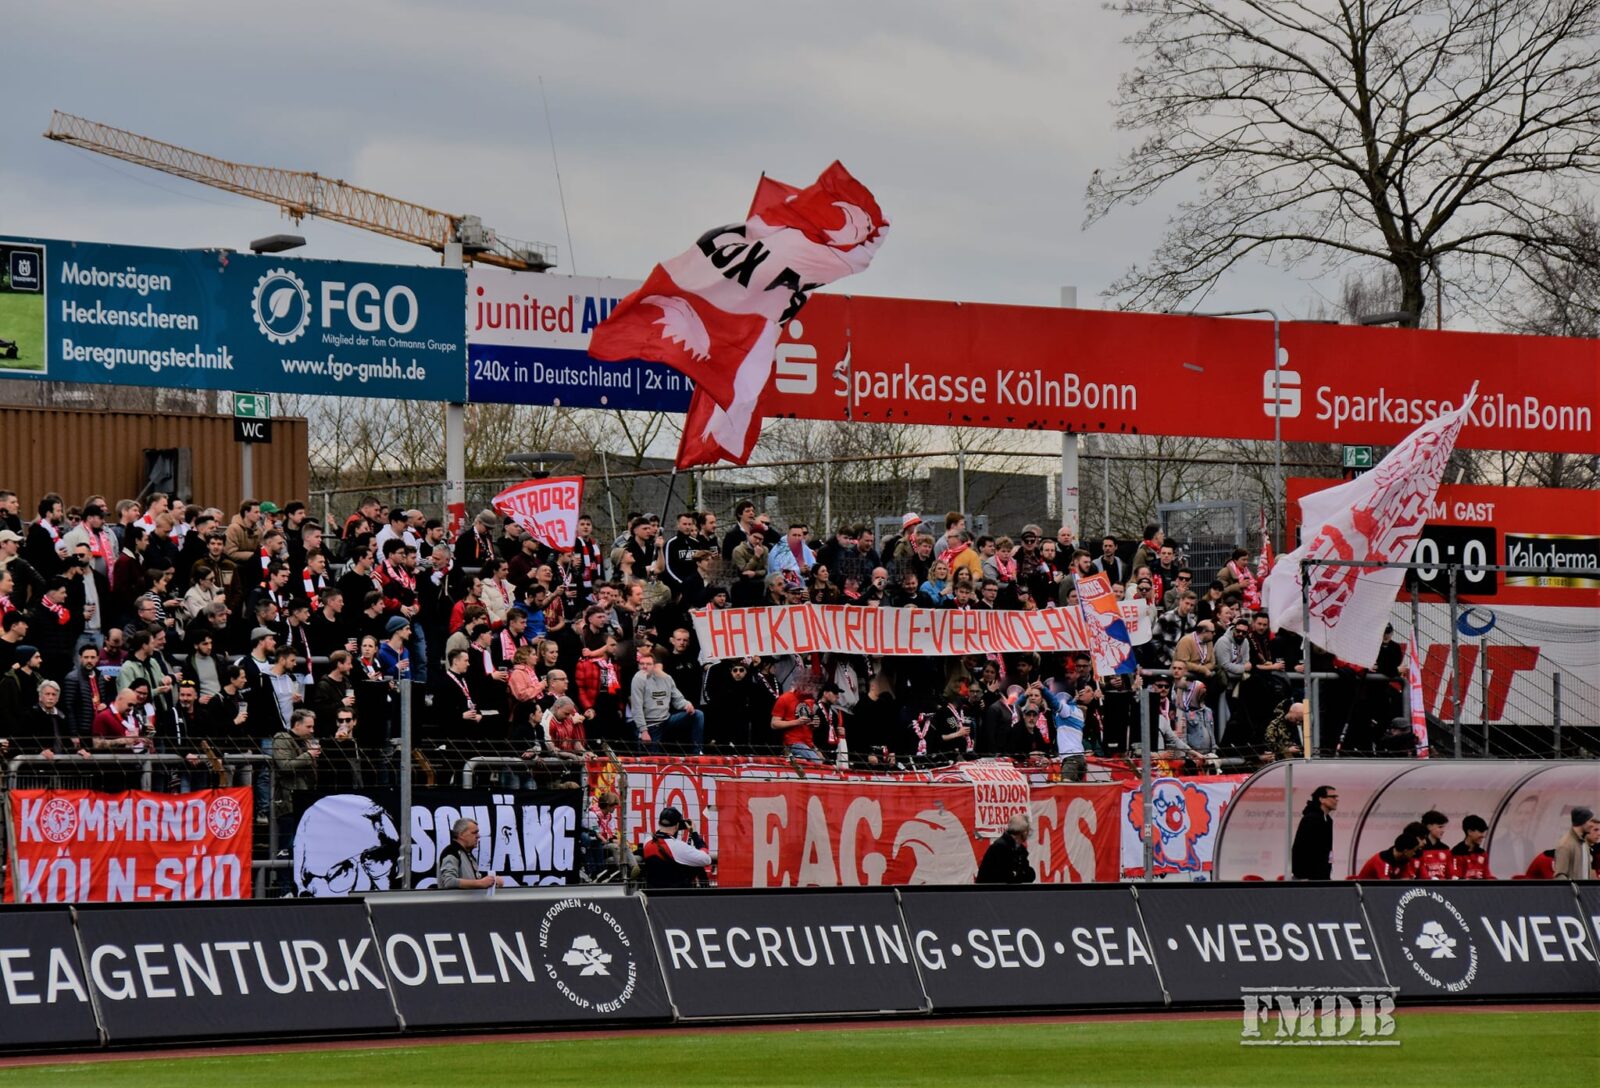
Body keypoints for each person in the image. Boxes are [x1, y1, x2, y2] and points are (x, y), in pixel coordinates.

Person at [638, 806, 713, 888]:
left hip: (653, 892)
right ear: (677, 825)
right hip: (676, 892)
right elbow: (707, 859)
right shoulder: (678, 846)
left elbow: (661, 835)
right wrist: (694, 834)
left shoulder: (648, 841)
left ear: (659, 823)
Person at [437, 817, 508, 890]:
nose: (478, 836)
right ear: (461, 835)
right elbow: (449, 882)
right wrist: (481, 883)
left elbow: (473, 882)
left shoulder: (466, 854)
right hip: (455, 898)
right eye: (474, 832)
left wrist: (492, 881)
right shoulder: (451, 852)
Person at [1291, 785, 1338, 880]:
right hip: (1309, 877)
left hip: (1322, 875)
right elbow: (1300, 848)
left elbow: (1328, 848)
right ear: (1321, 799)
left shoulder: (1328, 820)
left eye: (1336, 797)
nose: (1336, 800)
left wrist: (1329, 866)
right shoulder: (1311, 819)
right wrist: (1301, 875)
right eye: (1333, 797)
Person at [975, 814, 1036, 884]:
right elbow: (1005, 877)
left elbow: (1029, 875)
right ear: (1024, 832)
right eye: (1027, 830)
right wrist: (1020, 874)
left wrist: (1019, 874)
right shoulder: (999, 848)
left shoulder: (1020, 849)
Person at [1354, 827, 1426, 880]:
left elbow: (1405, 881)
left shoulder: (1404, 860)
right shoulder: (1382, 861)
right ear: (1405, 851)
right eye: (1413, 851)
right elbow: (1386, 886)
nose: (1414, 853)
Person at [1553, 806, 1599, 879]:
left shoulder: (1584, 844)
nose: (1592, 825)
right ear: (1582, 821)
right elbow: (1560, 876)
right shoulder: (1565, 845)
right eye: (1590, 821)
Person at [1406, 810, 1452, 880]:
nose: (1443, 830)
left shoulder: (1445, 848)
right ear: (1429, 827)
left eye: (1443, 827)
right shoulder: (1418, 849)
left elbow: (1450, 873)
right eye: (1440, 827)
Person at [1450, 814, 1494, 880]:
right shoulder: (1456, 853)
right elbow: (1456, 878)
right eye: (1480, 832)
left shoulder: (1482, 853)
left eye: (1483, 832)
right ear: (1470, 832)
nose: (1483, 835)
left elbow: (1488, 876)